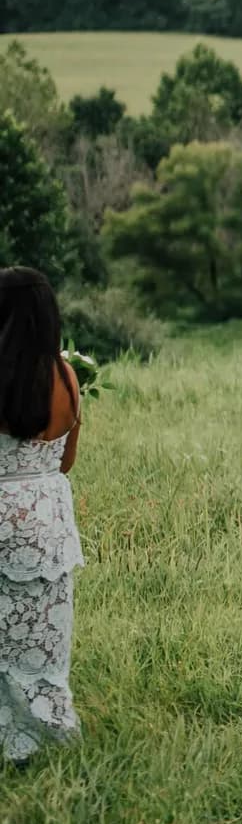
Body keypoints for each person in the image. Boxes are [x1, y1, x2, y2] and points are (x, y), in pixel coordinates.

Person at [0, 268, 85, 762]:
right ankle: (49, 730)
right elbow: (66, 461)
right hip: (48, 523)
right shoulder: (66, 376)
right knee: (43, 639)